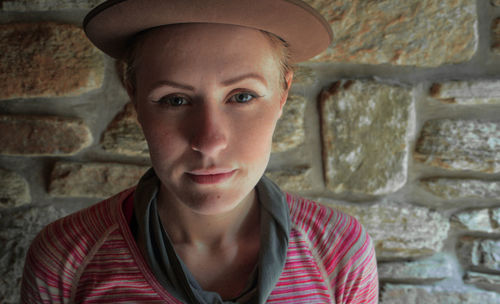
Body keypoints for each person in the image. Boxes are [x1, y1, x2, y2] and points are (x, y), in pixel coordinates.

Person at [21, 0, 378, 303]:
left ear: (283, 93)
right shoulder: (65, 259)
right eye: (175, 100)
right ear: (134, 96)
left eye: (242, 96)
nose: (208, 141)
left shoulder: (339, 253)